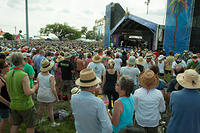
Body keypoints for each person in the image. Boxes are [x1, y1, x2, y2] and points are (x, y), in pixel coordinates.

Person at [71, 68, 112, 133]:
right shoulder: (98, 102)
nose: (96, 86)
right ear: (90, 87)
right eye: (95, 85)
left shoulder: (73, 98)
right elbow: (108, 128)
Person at [6, 52, 38, 133]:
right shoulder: (23, 75)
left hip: (13, 104)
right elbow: (28, 93)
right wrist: (35, 87)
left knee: (15, 125)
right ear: (22, 61)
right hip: (26, 105)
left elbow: (8, 90)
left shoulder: (9, 73)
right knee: (30, 126)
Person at [37, 58, 60, 127]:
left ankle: (40, 120)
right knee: (50, 109)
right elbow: (53, 89)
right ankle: (52, 123)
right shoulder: (51, 77)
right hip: (48, 94)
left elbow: (38, 85)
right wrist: (57, 97)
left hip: (41, 92)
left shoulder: (39, 75)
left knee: (41, 108)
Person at [0, 59, 11, 132]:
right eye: (6, 66)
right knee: (4, 120)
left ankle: (14, 127)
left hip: (7, 102)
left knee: (9, 117)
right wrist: (7, 103)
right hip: (3, 104)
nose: (8, 67)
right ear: (1, 69)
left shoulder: (3, 76)